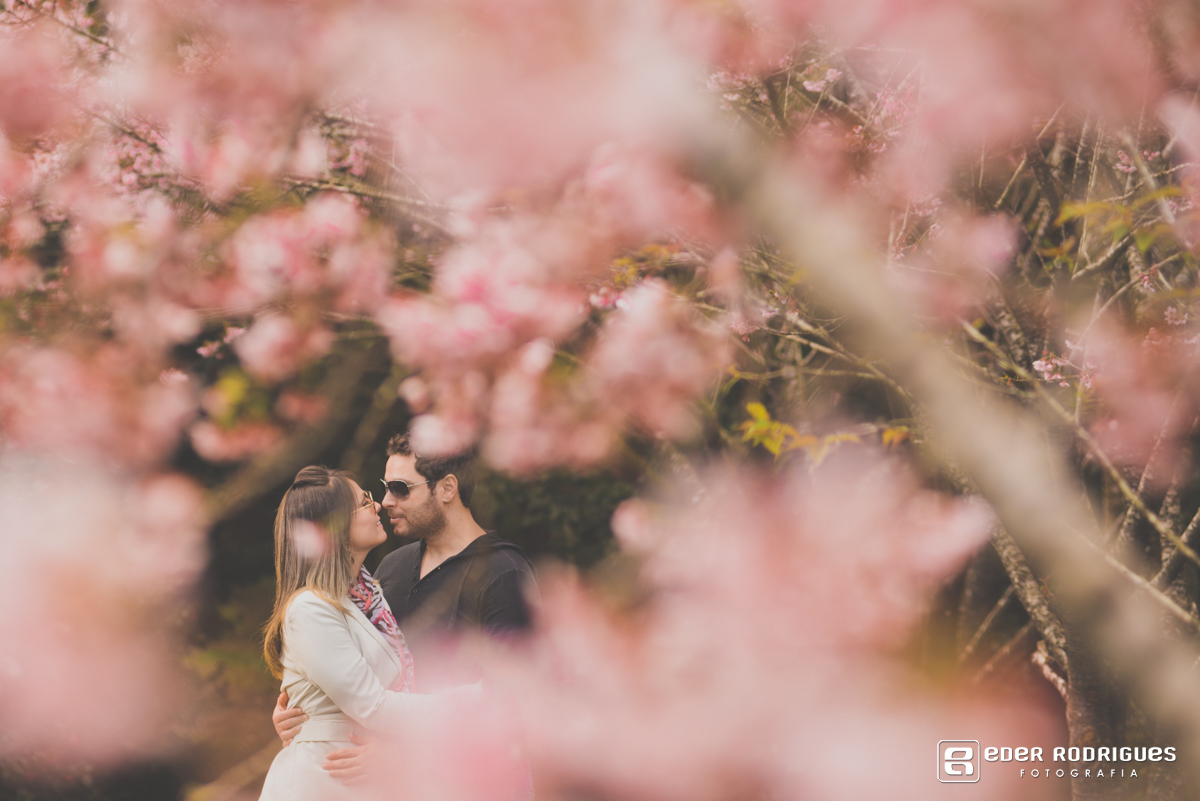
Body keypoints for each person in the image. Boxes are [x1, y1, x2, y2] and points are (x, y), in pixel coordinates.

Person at [272, 434, 538, 782]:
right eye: (384, 488)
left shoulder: (503, 572)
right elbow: (361, 677)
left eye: (400, 488)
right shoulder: (390, 571)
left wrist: (406, 755)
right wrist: (310, 715)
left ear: (446, 489)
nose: (385, 501)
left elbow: (518, 705)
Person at [258, 466, 476, 801]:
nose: (377, 506)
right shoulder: (310, 609)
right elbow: (372, 705)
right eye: (364, 502)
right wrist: (466, 704)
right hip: (322, 784)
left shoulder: (367, 596)